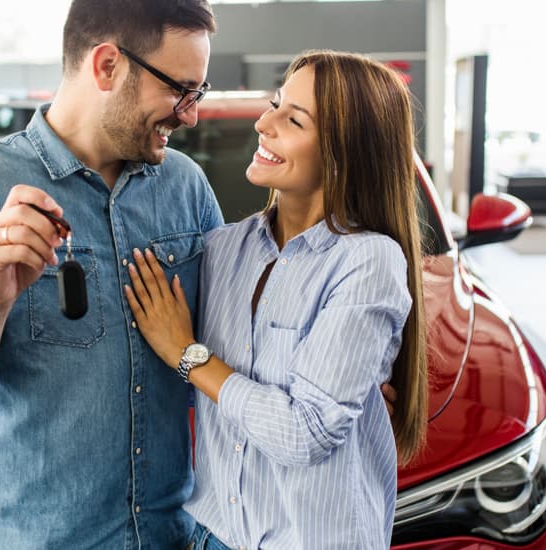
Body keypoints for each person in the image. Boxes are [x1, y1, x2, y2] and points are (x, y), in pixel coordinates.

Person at [0, 1, 219, 547]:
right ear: (108, 66)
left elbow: (235, 342)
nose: (189, 115)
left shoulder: (186, 187)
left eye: (198, 93)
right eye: (179, 90)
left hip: (174, 537)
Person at [123, 51, 428, 550]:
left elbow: (304, 434)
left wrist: (188, 354)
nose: (264, 124)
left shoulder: (368, 261)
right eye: (274, 106)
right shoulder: (222, 249)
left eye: (294, 120)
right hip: (213, 537)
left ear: (345, 152)